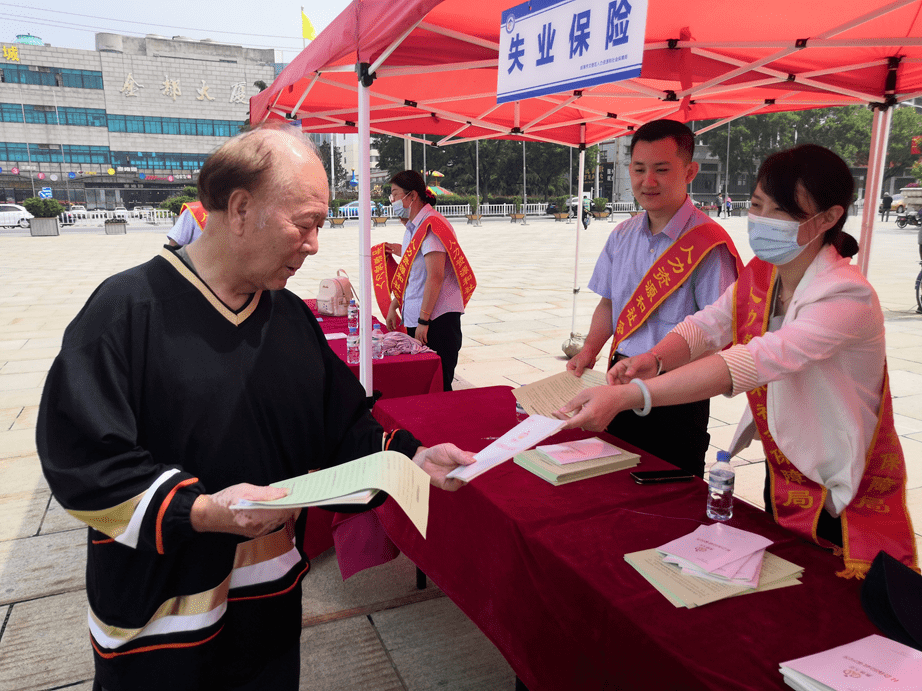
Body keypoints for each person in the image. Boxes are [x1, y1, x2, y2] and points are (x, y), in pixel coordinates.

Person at [36, 124, 475, 691]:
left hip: (268, 598)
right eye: (306, 222)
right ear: (240, 208)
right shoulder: (126, 311)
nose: (316, 243)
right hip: (162, 618)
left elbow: (340, 425)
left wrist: (409, 457)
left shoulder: (289, 318)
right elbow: (82, 459)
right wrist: (201, 511)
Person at [558, 144, 917, 578]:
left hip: (841, 476)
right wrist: (653, 358)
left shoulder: (845, 295)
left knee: (835, 594)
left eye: (781, 211)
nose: (761, 220)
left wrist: (631, 396)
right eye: (756, 204)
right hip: (787, 461)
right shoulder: (763, 274)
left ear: (826, 218)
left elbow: (750, 362)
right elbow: (707, 326)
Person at [566, 120, 741, 477]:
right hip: (620, 375)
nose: (648, 181)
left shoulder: (708, 245)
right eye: (639, 169)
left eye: (662, 170)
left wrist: (660, 362)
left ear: (689, 171)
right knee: (611, 475)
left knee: (667, 490)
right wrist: (589, 351)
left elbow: (719, 334)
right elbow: (610, 304)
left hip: (677, 390)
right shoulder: (622, 235)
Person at [383, 170, 475, 392]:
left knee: (438, 387)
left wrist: (424, 321)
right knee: (424, 387)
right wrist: (395, 306)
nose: (392, 200)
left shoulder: (432, 226)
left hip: (437, 321)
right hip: (421, 317)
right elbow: (412, 277)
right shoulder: (412, 227)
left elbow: (435, 275)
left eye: (394, 194)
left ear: (412, 196)